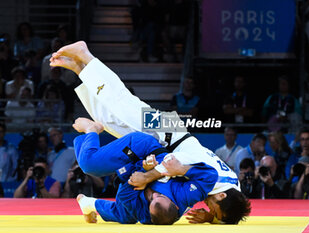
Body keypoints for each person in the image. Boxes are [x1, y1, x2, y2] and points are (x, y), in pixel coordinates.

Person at [49, 41, 250, 224]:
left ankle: (79, 69)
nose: (209, 208)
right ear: (221, 197)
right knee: (121, 103)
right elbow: (172, 162)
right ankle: (86, 57)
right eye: (213, 209)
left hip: (171, 131)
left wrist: (211, 219)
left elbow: (229, 216)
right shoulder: (214, 181)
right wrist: (146, 177)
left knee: (108, 121)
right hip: (167, 130)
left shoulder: (233, 189)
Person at [71, 118, 229, 224]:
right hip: (143, 148)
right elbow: (210, 175)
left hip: (133, 165)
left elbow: (125, 195)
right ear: (175, 204)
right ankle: (91, 129)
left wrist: (141, 170)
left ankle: (87, 203)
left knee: (126, 216)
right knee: (89, 165)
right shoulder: (187, 195)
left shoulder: (146, 216)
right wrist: (180, 169)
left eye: (151, 200)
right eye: (160, 196)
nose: (154, 194)